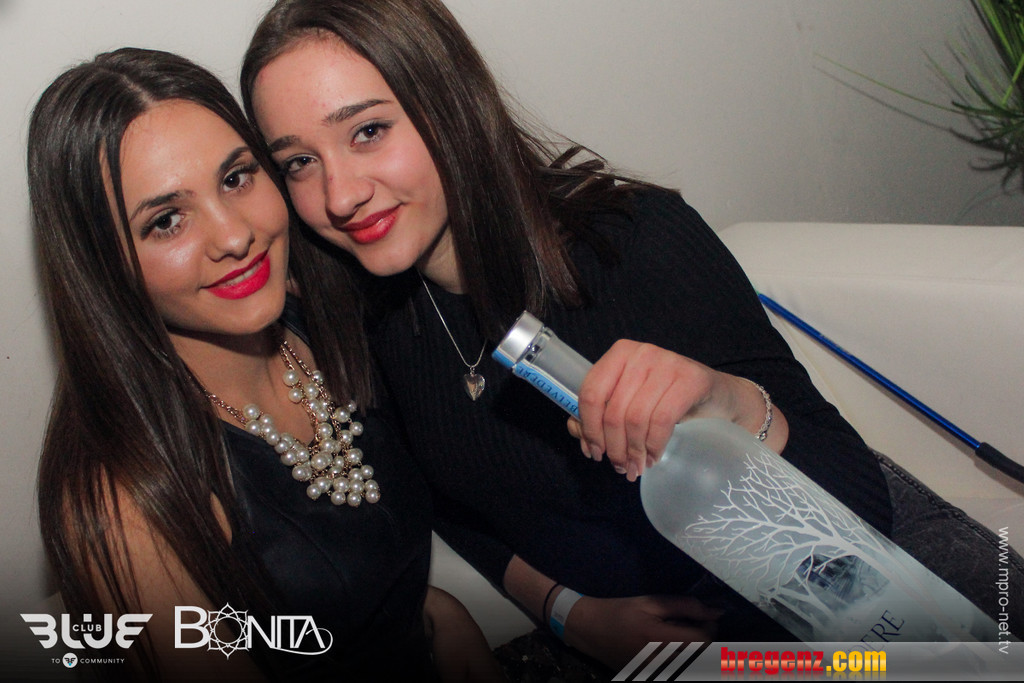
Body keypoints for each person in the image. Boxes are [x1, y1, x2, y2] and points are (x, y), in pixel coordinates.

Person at [239, 0, 896, 672]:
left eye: (369, 131)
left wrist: (729, 406)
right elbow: (447, 506)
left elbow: (868, 513)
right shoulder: (375, 318)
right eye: (299, 162)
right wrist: (570, 612)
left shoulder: (635, 244)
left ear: (451, 106)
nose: (339, 194)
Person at [27, 46, 502, 682]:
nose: (234, 236)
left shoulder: (322, 318)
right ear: (102, 266)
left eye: (235, 178)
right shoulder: (127, 504)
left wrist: (433, 612)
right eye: (167, 220)